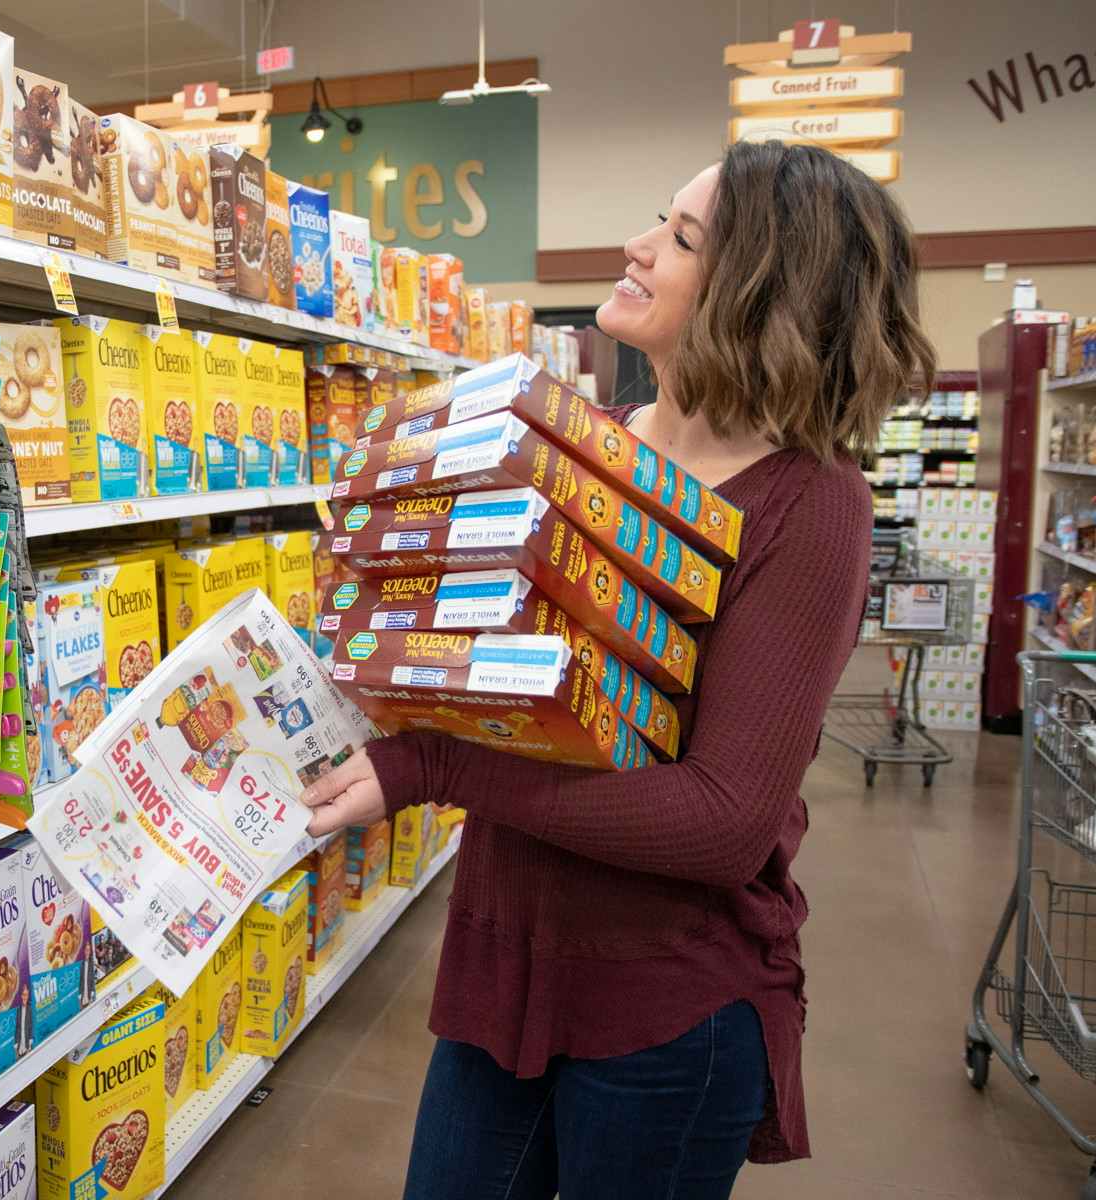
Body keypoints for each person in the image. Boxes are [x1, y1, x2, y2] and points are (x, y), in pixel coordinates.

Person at [300, 140, 935, 1199]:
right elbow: (494, 686)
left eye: (682, 238)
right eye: (660, 218)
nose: (637, 247)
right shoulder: (579, 446)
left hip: (666, 1016)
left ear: (759, 295)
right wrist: (374, 605)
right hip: (503, 965)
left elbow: (726, 818)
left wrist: (442, 773)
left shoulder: (810, 505)